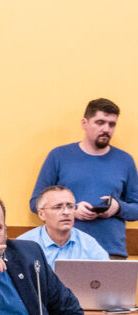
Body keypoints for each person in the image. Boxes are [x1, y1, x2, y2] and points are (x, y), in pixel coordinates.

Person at [30, 98, 138, 258]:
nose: (106, 129)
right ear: (84, 123)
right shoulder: (59, 156)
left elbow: (136, 208)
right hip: (66, 251)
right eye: (100, 122)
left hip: (111, 252)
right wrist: (71, 210)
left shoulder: (125, 160)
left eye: (111, 124)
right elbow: (36, 203)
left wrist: (118, 208)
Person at [19, 186, 110, 267]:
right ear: (41, 214)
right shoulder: (24, 244)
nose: (66, 212)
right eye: (57, 207)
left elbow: (107, 274)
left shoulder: (88, 244)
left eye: (70, 206)